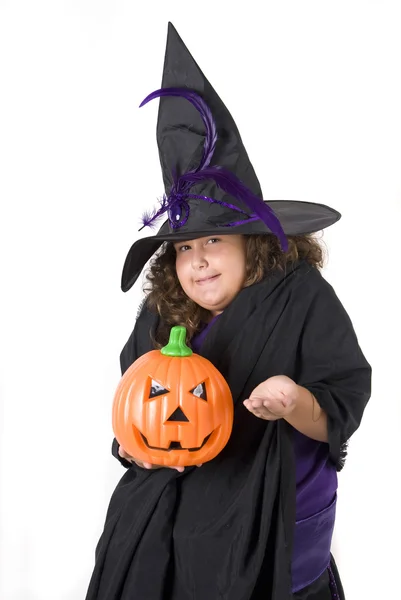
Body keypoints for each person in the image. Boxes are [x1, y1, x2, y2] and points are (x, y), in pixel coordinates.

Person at [85, 23, 371, 600]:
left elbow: (341, 405)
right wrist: (131, 446)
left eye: (213, 241)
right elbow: (133, 404)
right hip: (171, 530)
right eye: (185, 247)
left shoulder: (302, 297)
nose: (198, 261)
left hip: (273, 536)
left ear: (251, 240)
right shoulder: (163, 315)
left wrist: (295, 401)